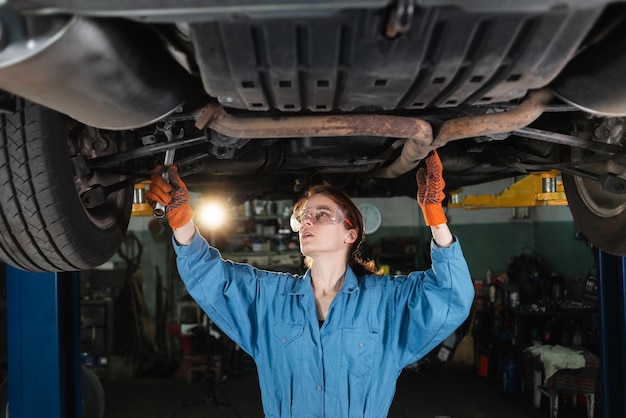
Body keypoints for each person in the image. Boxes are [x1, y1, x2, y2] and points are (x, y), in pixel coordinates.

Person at [146, 150, 474, 418]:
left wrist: (436, 218)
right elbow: (213, 279)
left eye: (322, 214)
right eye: (304, 215)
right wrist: (181, 219)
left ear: (351, 233)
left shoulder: (384, 303)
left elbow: (451, 295)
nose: (307, 221)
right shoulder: (270, 300)